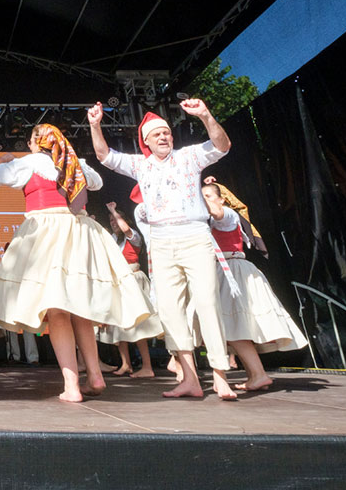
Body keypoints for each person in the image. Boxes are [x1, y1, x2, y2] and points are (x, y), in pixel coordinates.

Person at [0, 124, 151, 402]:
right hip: (79, 231)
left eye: (31, 140)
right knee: (79, 307)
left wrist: (3, 159)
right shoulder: (75, 162)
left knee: (58, 310)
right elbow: (97, 183)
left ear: (35, 143)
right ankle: (94, 375)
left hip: (47, 232)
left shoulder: (29, 163)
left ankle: (72, 385)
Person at [88, 99, 236, 399]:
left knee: (207, 302)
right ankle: (190, 378)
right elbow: (104, 155)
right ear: (146, 141)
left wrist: (205, 115)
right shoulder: (140, 165)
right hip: (162, 241)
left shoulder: (189, 157)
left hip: (194, 235)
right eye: (157, 134)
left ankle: (220, 375)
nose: (164, 137)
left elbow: (222, 146)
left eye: (167, 132)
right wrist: (95, 125)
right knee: (169, 310)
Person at [202, 183, 307, 392]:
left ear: (222, 199)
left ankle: (258, 375)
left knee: (233, 326)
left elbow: (216, 212)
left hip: (232, 270)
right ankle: (255, 375)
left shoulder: (228, 215)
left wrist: (194, 189)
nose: (204, 200)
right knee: (236, 325)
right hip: (225, 270)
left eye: (208, 196)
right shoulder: (212, 220)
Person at [99, 201, 162, 378]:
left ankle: (147, 366)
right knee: (120, 324)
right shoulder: (113, 239)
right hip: (120, 283)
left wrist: (113, 210)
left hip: (134, 281)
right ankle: (126, 364)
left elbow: (125, 229)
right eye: (111, 220)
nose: (113, 222)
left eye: (115, 219)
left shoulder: (133, 236)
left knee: (138, 324)